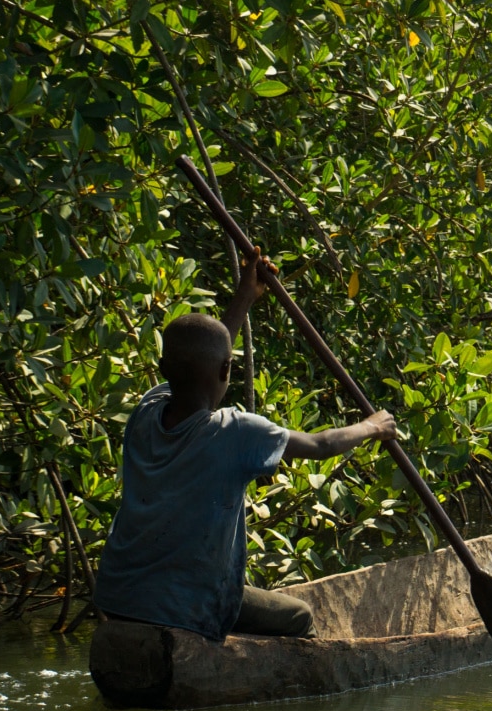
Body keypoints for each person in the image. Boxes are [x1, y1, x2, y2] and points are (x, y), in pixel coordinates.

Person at [95, 247, 397, 641]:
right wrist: (373, 426)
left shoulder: (146, 411)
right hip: (184, 606)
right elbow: (322, 444)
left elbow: (202, 360)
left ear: (163, 370)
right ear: (226, 370)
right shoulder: (235, 432)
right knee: (300, 617)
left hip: (117, 596)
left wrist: (244, 298)